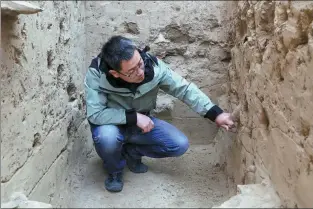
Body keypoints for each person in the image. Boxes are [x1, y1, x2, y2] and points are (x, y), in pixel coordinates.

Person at [84, 35, 234, 192]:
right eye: (131, 72)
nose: (140, 72)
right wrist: (133, 117)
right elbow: (95, 114)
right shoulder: (96, 74)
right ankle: (114, 171)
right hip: (111, 124)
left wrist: (215, 114)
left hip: (141, 124)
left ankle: (131, 152)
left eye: (140, 64)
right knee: (106, 138)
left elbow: (184, 89)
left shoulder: (153, 66)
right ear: (115, 73)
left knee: (179, 144)